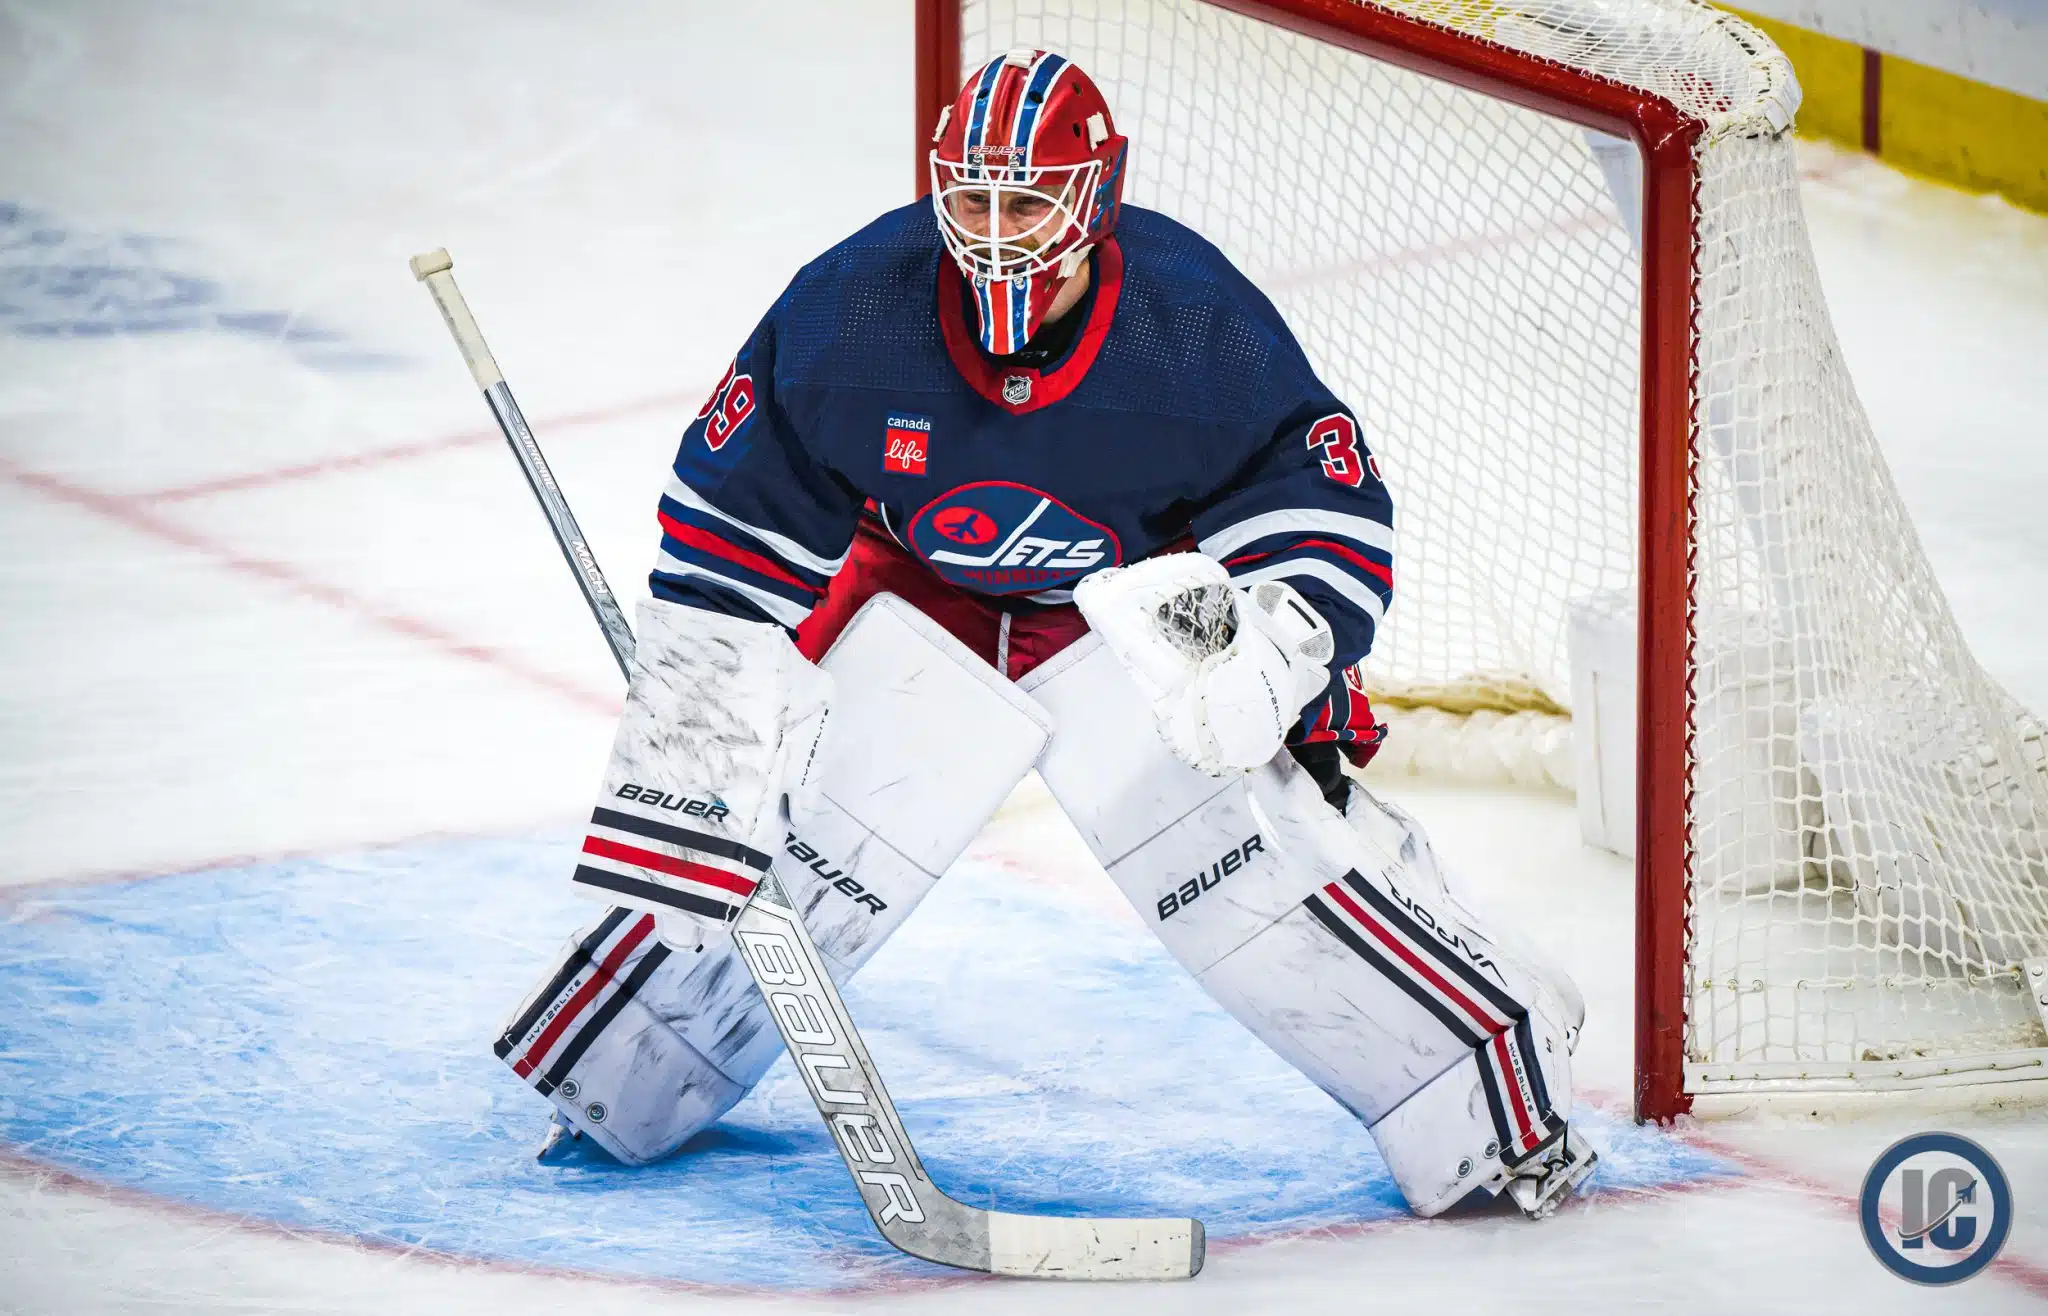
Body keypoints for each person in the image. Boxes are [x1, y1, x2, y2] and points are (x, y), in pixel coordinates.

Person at [494, 48, 1595, 1220]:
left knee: (1257, 868)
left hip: (1130, 611)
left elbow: (1314, 493)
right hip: (915, 590)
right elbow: (733, 527)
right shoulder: (851, 306)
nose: (993, 232)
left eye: (1025, 201)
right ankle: (616, 1078)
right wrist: (702, 736)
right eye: (970, 199)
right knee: (771, 845)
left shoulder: (1193, 317)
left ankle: (1484, 1112)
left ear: (1094, 193)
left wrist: (1274, 651)